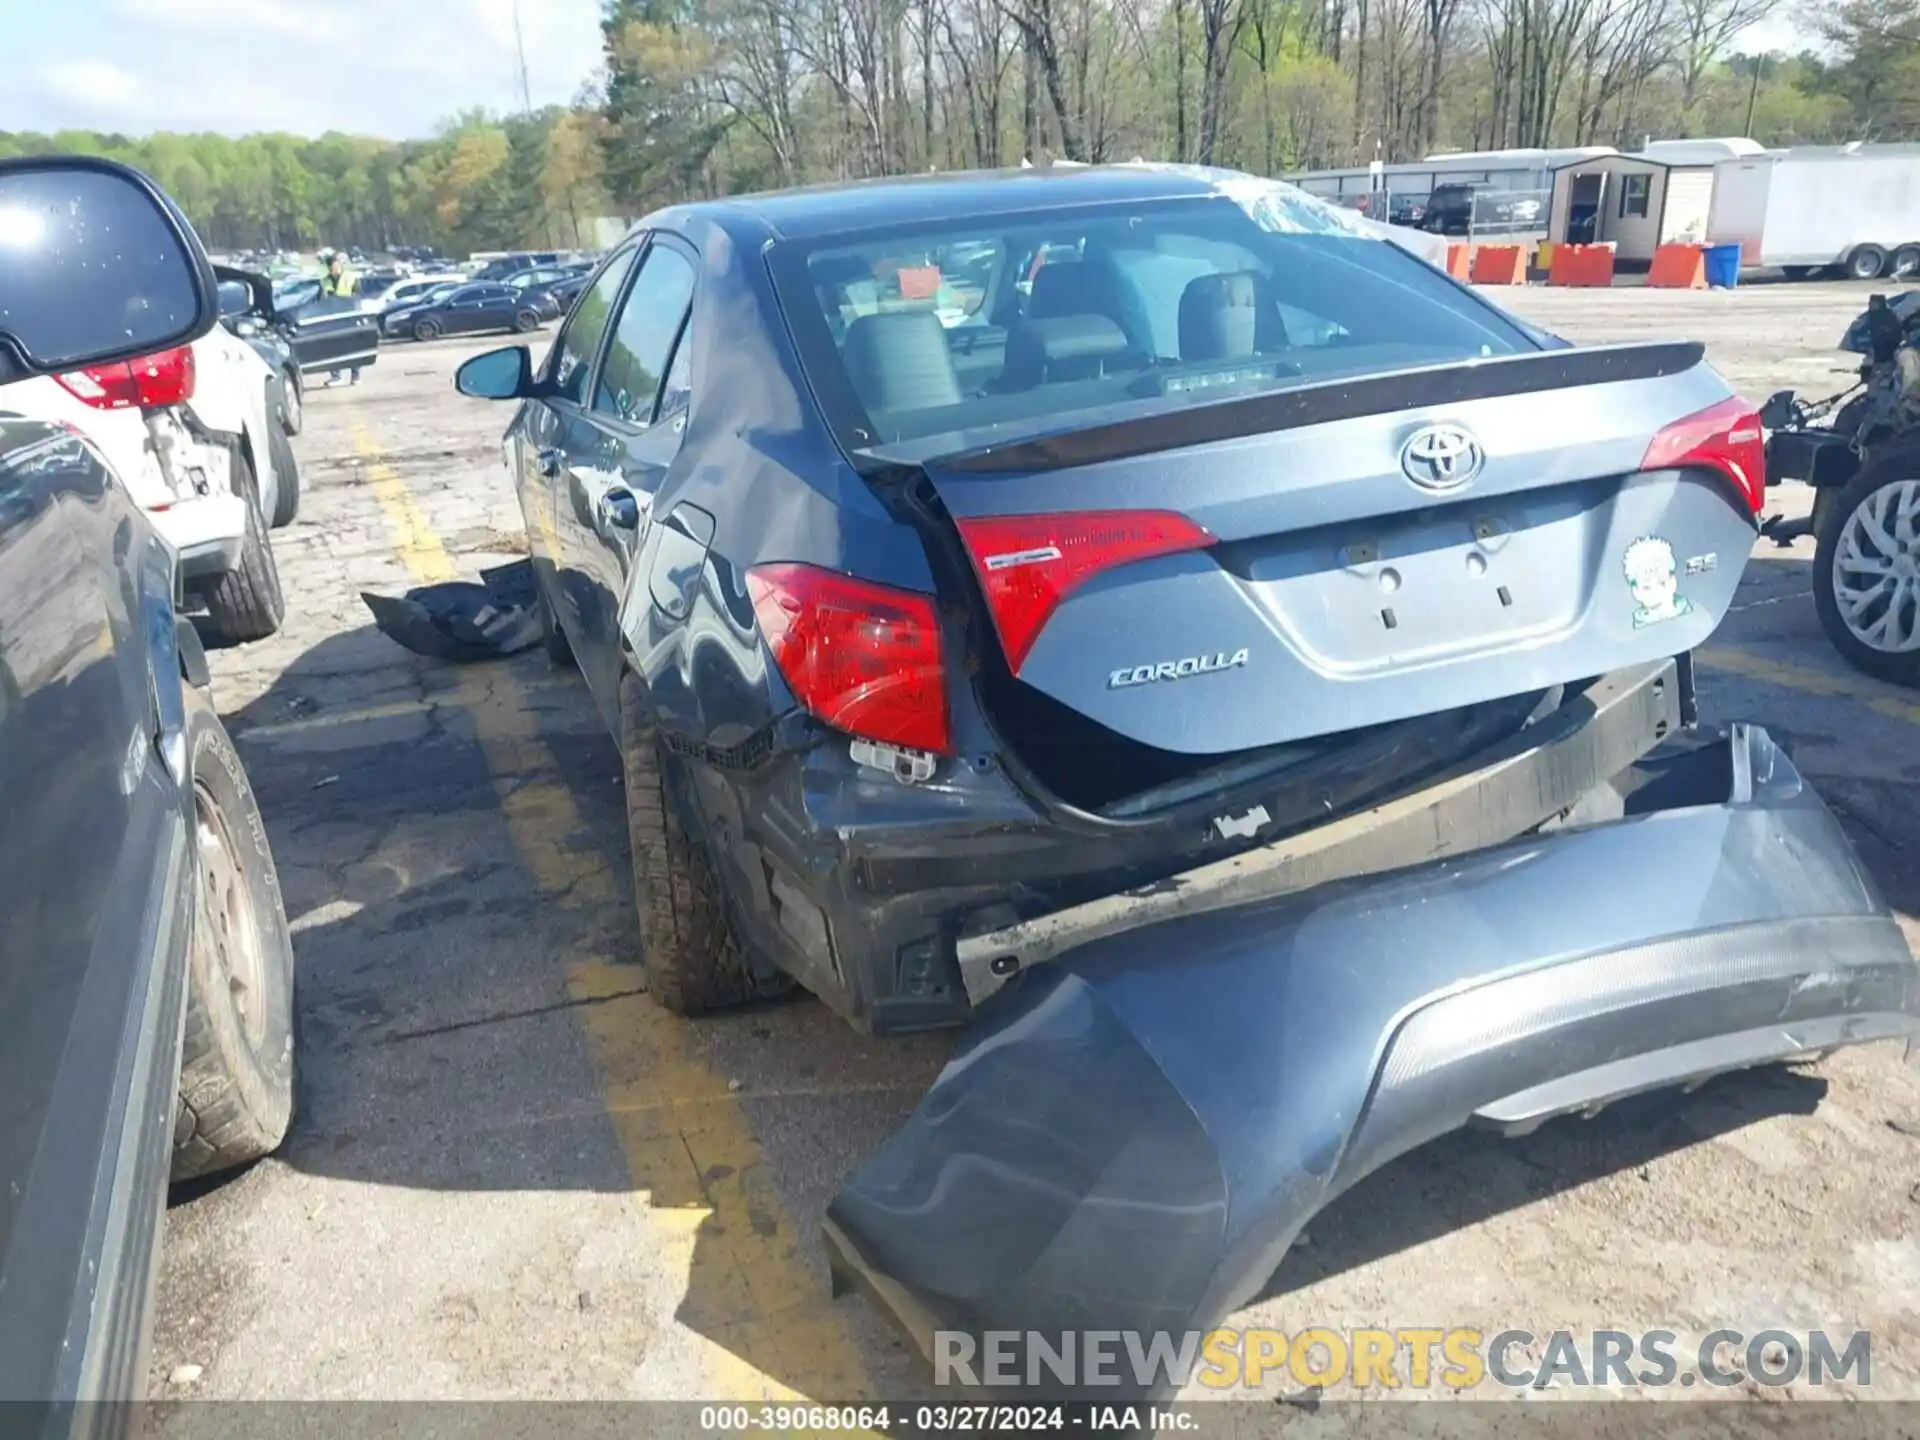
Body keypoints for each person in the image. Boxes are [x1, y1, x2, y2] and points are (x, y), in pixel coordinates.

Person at [321, 252, 363, 387]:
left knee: (352, 348)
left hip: (349, 316)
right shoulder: (326, 280)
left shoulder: (351, 277)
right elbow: (327, 297)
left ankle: (356, 376)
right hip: (333, 318)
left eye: (336, 265)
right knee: (332, 348)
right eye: (332, 266)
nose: (334, 268)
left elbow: (357, 297)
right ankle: (336, 376)